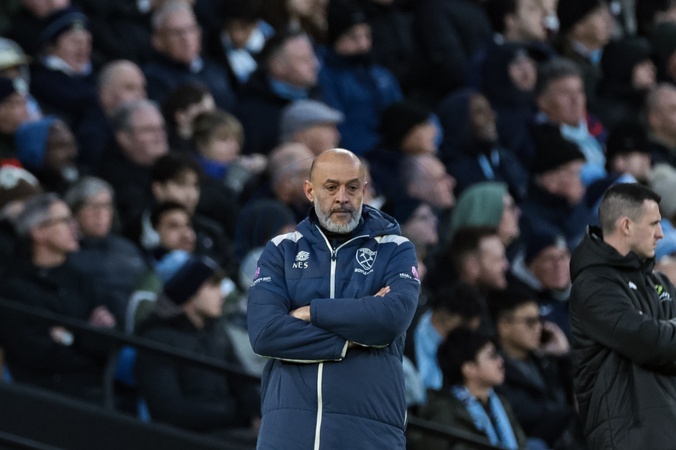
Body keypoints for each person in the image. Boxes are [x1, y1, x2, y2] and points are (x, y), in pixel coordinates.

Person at [247, 148, 420, 449]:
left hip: (368, 436)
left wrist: (311, 312)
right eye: (331, 187)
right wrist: (351, 337)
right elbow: (265, 333)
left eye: (352, 187)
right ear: (309, 191)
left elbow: (390, 319)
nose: (342, 197)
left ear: (364, 191)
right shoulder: (281, 250)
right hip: (287, 434)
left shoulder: (395, 247)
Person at [569, 182, 676, 449]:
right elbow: (651, 342)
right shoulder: (593, 285)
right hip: (629, 440)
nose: (661, 234)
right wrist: (660, 334)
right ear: (626, 226)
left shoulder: (659, 284)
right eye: (654, 224)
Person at [135, 253, 260, 438]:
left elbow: (242, 382)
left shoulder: (216, 333)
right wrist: (237, 414)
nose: (221, 294)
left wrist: (256, 412)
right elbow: (168, 411)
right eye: (213, 286)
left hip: (229, 428)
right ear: (191, 292)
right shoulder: (157, 338)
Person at [417, 327, 528, 450]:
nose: (500, 361)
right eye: (492, 356)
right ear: (469, 368)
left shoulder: (501, 403)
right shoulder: (444, 413)